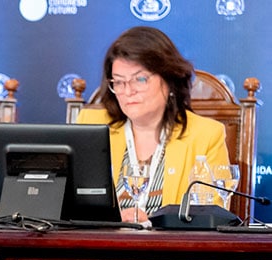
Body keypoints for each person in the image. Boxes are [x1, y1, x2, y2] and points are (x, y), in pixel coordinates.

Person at [77, 26, 229, 223]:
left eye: (139, 79)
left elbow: (211, 216)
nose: (128, 91)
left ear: (169, 79)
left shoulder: (206, 135)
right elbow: (70, 208)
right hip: (102, 248)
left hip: (171, 251)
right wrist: (111, 222)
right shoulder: (90, 126)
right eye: (119, 82)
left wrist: (151, 223)